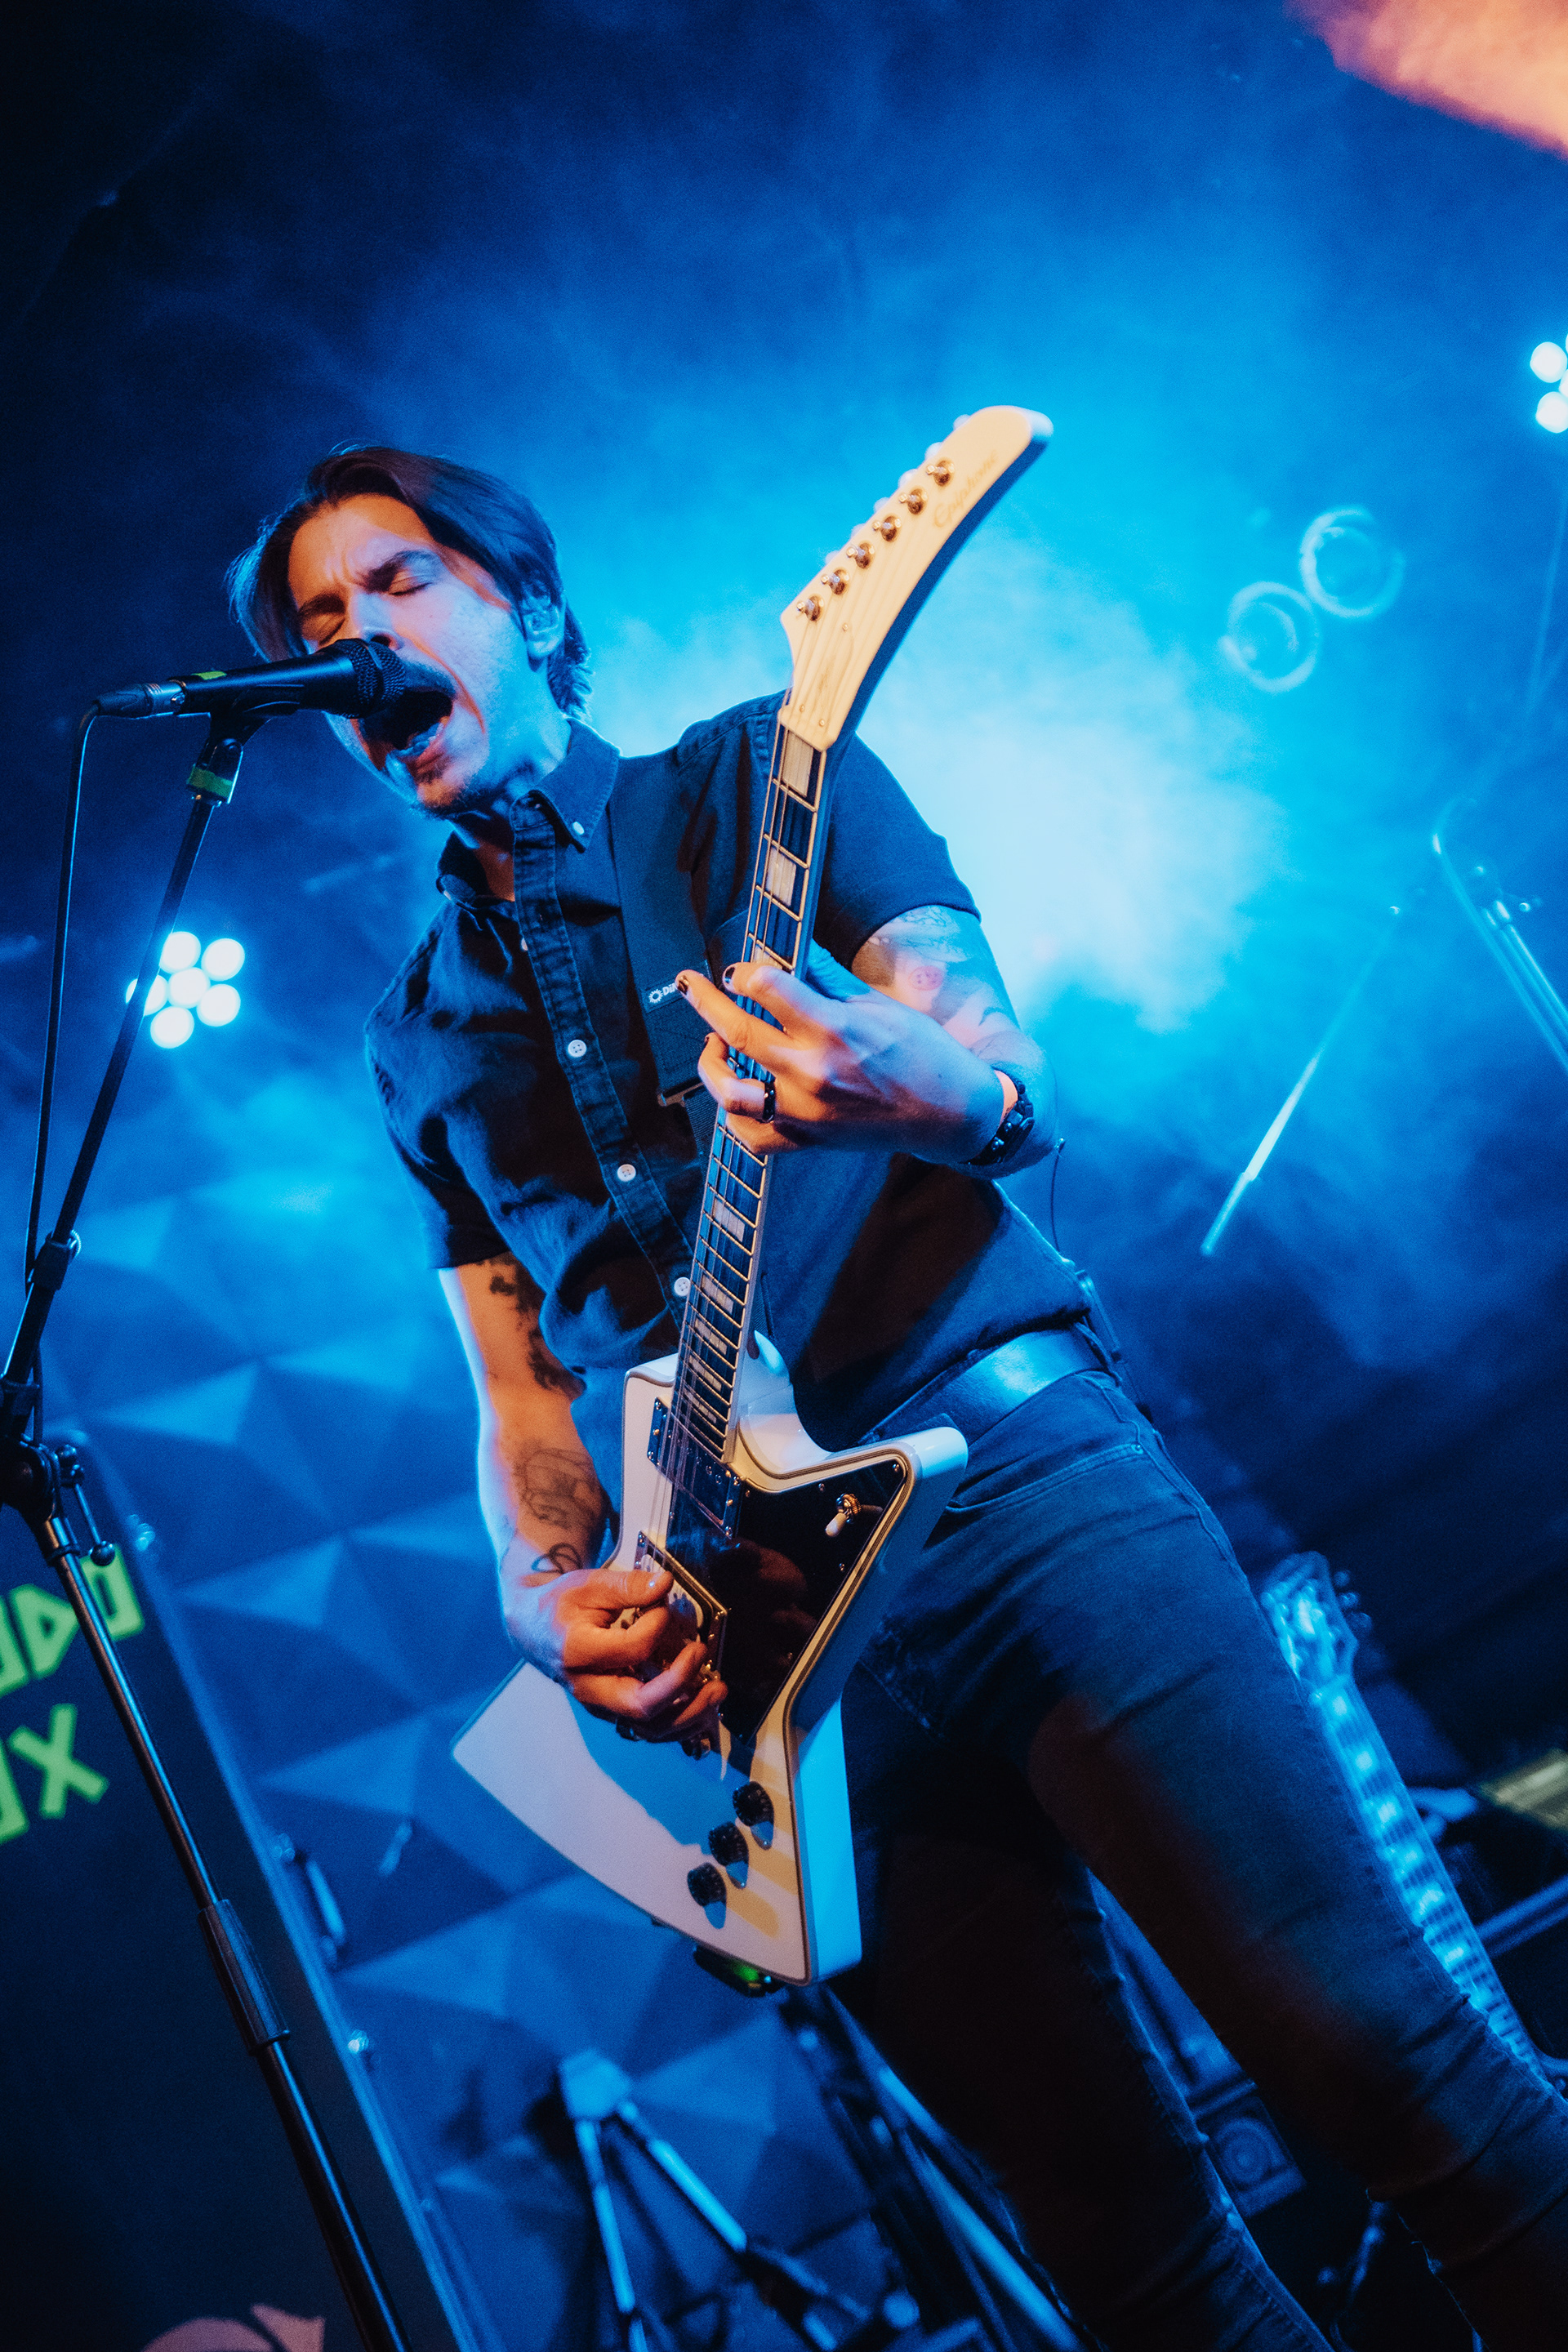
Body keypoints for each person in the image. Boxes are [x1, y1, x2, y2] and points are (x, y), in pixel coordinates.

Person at [232, 446, 1568, 2350]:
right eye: (317, 624)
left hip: (1015, 1488)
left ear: (528, 609)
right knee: (1125, 2256)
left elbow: (993, 1056)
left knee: (1378, 2059)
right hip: (777, 1667)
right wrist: (537, 1596)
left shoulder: (761, 778)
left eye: (400, 584)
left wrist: (941, 1093)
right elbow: (518, 1396)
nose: (357, 637)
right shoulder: (412, 1039)